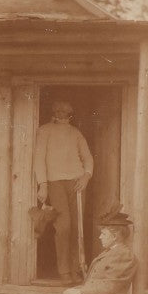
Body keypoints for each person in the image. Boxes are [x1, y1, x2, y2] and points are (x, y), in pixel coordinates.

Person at [33, 99, 94, 281]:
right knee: (64, 226)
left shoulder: (76, 133)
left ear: (70, 115)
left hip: (76, 182)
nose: (62, 116)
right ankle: (64, 271)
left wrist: (85, 177)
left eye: (66, 113)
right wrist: (43, 184)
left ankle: (78, 269)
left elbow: (88, 158)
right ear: (54, 112)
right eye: (58, 111)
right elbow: (39, 159)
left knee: (77, 227)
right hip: (55, 182)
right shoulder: (44, 131)